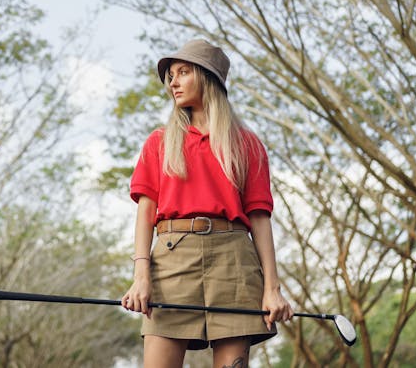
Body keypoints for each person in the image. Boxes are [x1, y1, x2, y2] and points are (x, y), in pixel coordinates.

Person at [121, 39, 293, 368]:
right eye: (171, 75)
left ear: (208, 78)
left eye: (183, 73)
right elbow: (145, 214)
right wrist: (141, 276)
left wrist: (273, 289)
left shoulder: (247, 143)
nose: (173, 82)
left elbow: (259, 219)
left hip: (234, 261)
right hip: (172, 260)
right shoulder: (159, 141)